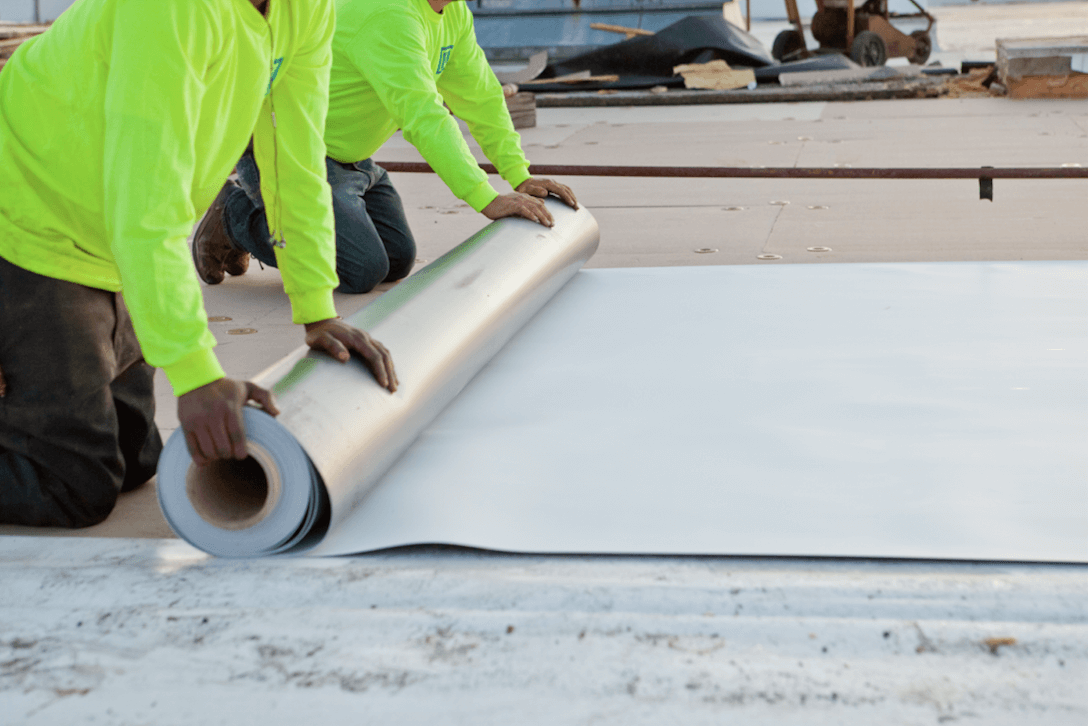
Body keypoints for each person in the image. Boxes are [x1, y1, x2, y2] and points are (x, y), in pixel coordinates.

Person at [0, 0, 396, 528]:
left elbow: (294, 161)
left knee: (136, 460)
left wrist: (316, 306)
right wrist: (195, 372)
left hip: (104, 238)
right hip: (26, 217)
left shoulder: (307, 8)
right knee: (73, 484)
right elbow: (147, 200)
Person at [193, 0, 580, 294]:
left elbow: (481, 98)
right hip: (285, 152)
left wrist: (519, 174)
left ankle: (320, 203)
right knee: (359, 270)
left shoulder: (453, 13)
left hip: (349, 160)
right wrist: (485, 197)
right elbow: (423, 116)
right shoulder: (389, 15)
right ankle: (235, 213)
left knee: (396, 260)